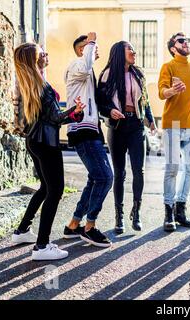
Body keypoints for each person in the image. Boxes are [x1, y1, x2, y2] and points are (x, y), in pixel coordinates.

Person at [11, 43, 85, 260]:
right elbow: (55, 118)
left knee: (45, 187)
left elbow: (46, 116)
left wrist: (72, 112)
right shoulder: (40, 86)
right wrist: (75, 112)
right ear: (35, 61)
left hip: (35, 142)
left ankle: (22, 231)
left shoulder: (28, 84)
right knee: (55, 190)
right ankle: (42, 246)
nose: (46, 54)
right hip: (46, 143)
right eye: (41, 53)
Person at [97, 41, 156, 234]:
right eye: (129, 49)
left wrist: (150, 119)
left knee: (139, 170)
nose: (134, 51)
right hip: (117, 127)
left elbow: (144, 99)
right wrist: (110, 111)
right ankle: (119, 216)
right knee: (120, 173)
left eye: (133, 48)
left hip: (137, 126)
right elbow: (100, 102)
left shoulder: (138, 74)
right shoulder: (107, 75)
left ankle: (136, 213)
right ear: (119, 53)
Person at [63, 32, 113, 247]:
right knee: (105, 177)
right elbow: (85, 66)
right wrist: (92, 41)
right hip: (83, 130)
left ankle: (74, 225)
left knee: (95, 178)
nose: (96, 47)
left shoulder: (87, 71)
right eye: (91, 46)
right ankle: (89, 227)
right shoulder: (77, 65)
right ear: (83, 50)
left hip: (91, 129)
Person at [158, 32, 190, 232]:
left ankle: (180, 209)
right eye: (181, 41)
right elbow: (161, 93)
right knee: (172, 168)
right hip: (173, 125)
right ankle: (168, 212)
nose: (186, 43)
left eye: (187, 40)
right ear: (173, 48)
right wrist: (172, 90)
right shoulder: (168, 67)